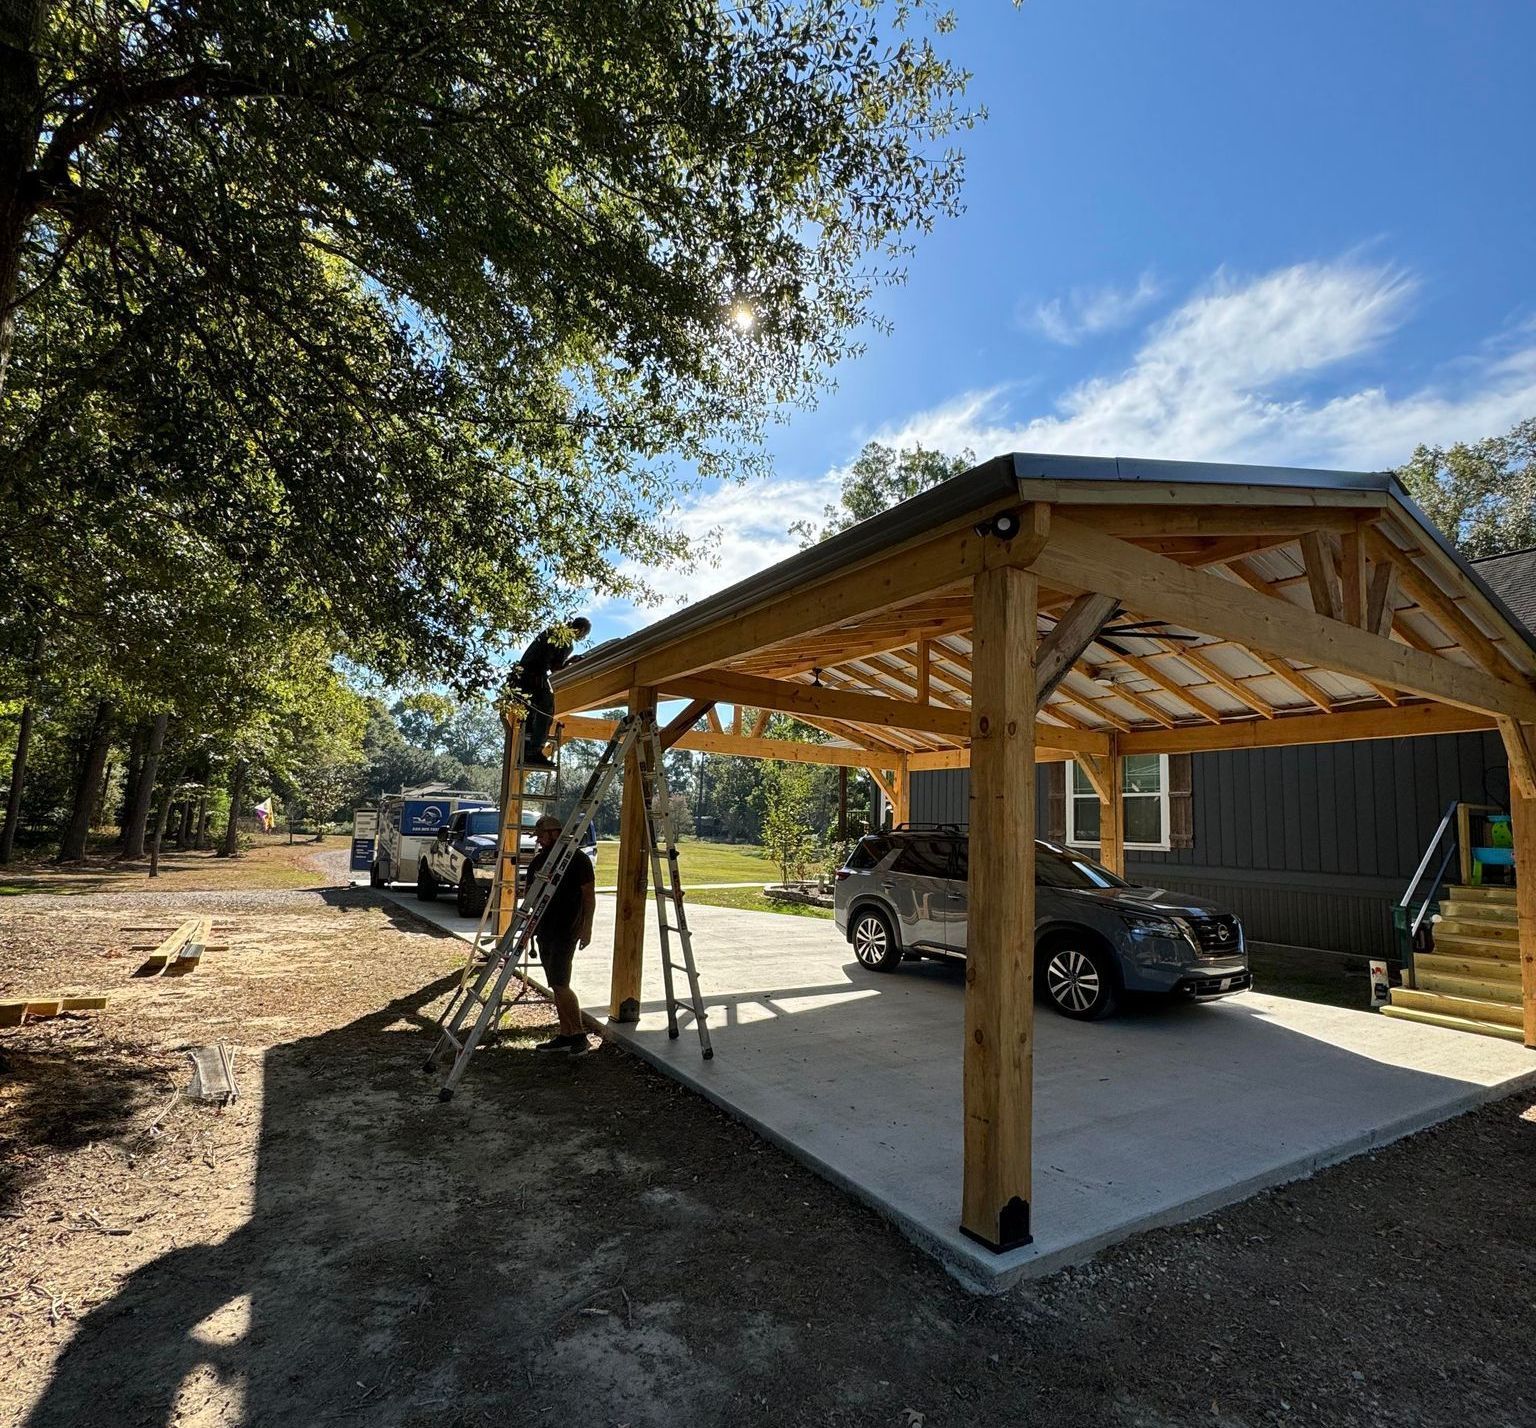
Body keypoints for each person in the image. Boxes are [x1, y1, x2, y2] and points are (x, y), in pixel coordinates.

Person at [526, 813, 596, 1054]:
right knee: (555, 984)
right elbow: (531, 897)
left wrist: (586, 927)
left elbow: (589, 896)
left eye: (542, 836)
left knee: (561, 983)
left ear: (556, 834)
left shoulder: (577, 860)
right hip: (545, 931)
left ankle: (578, 1035)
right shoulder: (539, 862)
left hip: (567, 929)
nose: (539, 841)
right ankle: (565, 1034)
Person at [510, 617, 591, 767]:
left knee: (530, 715)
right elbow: (555, 668)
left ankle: (525, 751)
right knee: (546, 711)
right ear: (582, 631)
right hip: (534, 676)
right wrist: (571, 661)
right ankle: (534, 752)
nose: (582, 637)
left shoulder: (552, 632)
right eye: (583, 635)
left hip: (519, 678)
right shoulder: (566, 641)